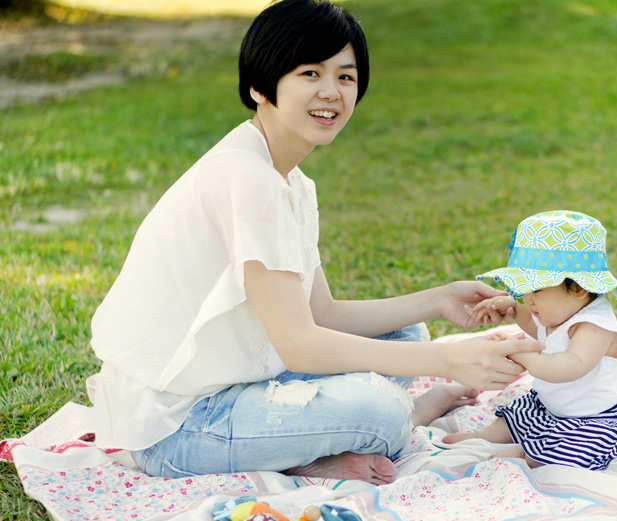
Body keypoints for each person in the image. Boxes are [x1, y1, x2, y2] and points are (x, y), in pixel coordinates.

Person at [85, 0, 542, 486]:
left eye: (345, 77)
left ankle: (321, 442)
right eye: (310, 73)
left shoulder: (291, 182)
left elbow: (320, 315)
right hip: (177, 427)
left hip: (240, 381)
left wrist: (438, 300)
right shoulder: (249, 179)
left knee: (405, 334)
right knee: (381, 412)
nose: (331, 92)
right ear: (260, 86)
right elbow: (301, 347)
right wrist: (448, 361)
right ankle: (389, 424)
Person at [443, 211, 617, 470]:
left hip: (605, 417)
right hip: (557, 408)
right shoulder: (559, 312)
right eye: (523, 289)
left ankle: (527, 454)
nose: (527, 299)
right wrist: (512, 308)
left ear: (579, 288)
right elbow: (542, 332)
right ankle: (483, 436)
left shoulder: (593, 327)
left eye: (536, 289)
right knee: (524, 412)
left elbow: (567, 367)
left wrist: (521, 352)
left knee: (582, 445)